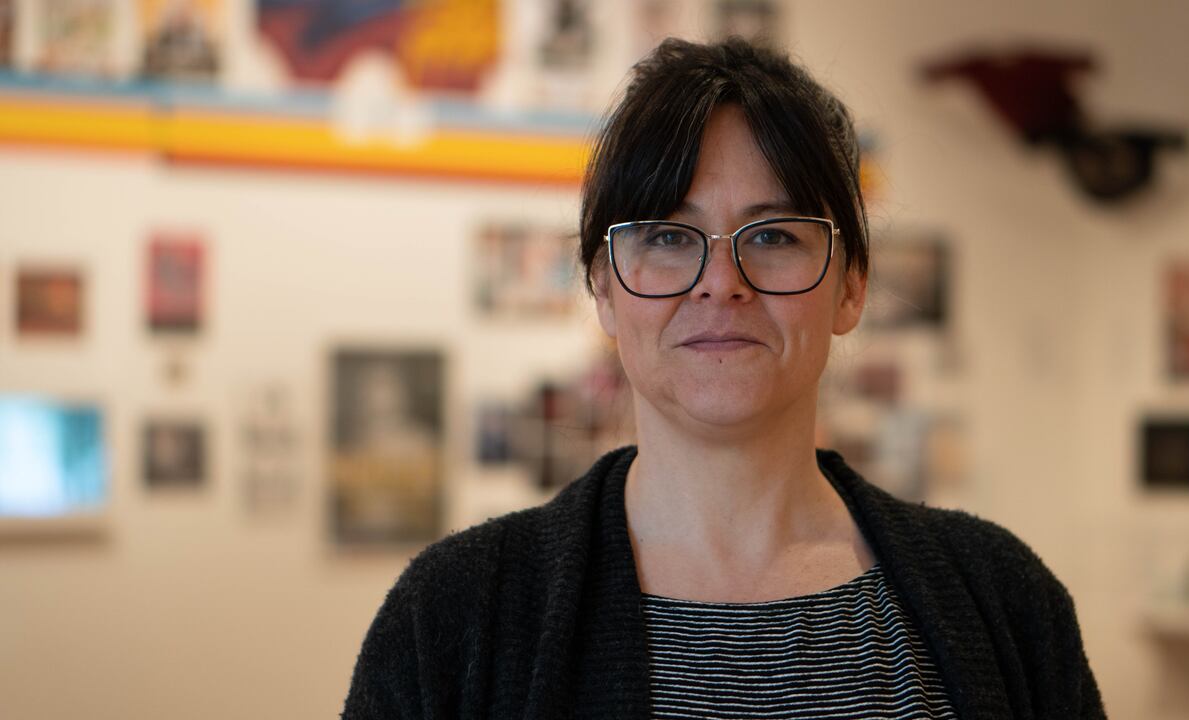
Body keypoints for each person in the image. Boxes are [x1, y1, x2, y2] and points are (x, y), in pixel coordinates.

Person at [342, 37, 1107, 719]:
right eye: (669, 237)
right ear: (604, 290)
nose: (721, 282)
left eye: (772, 236)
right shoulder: (454, 616)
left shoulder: (1005, 600)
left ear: (851, 287)